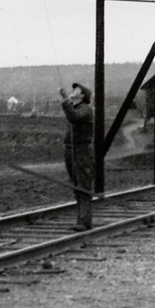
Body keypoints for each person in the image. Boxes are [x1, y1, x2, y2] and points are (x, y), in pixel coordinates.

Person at [59, 82, 94, 230]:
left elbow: (73, 117)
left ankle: (84, 222)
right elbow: (72, 115)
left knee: (83, 186)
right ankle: (81, 220)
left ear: (83, 95)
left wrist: (65, 99)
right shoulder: (75, 109)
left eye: (77, 89)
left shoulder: (85, 109)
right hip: (71, 150)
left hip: (81, 151)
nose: (73, 90)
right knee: (77, 186)